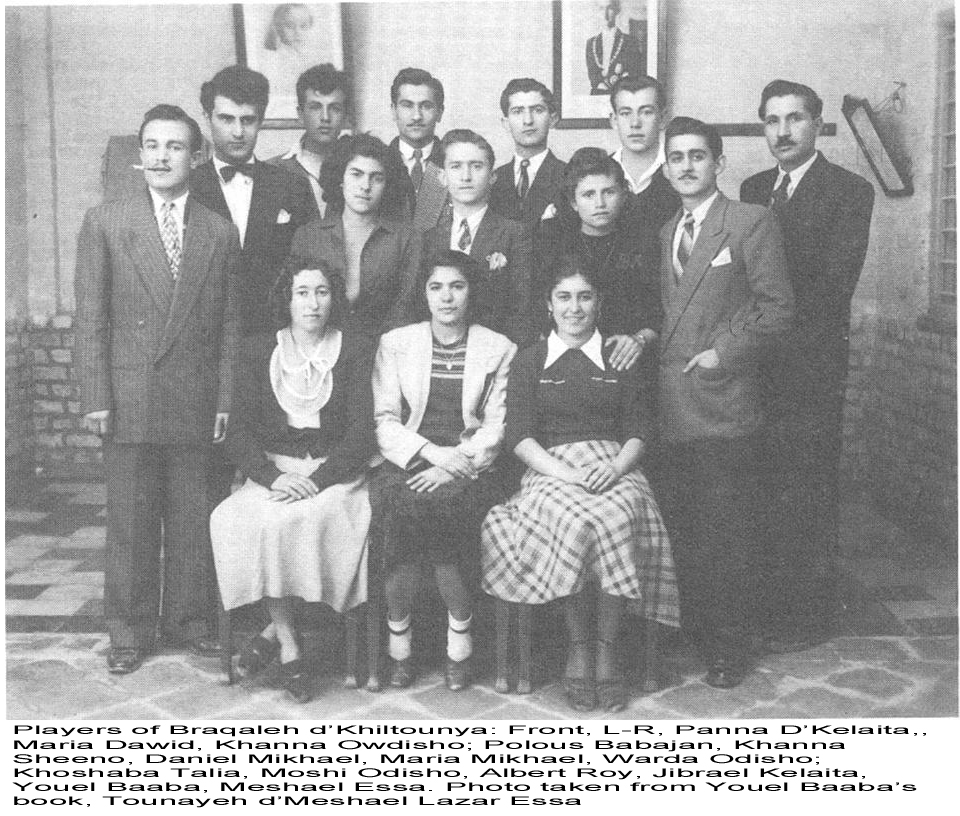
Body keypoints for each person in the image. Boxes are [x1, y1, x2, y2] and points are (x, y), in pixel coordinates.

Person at [75, 105, 240, 675]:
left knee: (194, 518)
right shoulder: (106, 222)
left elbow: (229, 324)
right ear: (140, 154)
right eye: (152, 145)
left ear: (196, 156)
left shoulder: (218, 231)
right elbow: (91, 318)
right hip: (131, 399)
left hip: (196, 397)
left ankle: (191, 621)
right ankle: (128, 630)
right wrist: (96, 396)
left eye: (174, 146)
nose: (162, 157)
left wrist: (225, 399)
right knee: (130, 522)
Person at [481, 261, 679, 713]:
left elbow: (639, 429)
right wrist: (564, 473)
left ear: (599, 304)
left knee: (616, 514)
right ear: (549, 305)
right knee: (573, 519)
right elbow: (519, 436)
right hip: (551, 469)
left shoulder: (618, 355)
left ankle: (606, 647)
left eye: (585, 297)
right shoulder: (530, 359)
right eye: (564, 297)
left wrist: (616, 468)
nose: (575, 308)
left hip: (615, 464)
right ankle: (578, 645)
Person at [657, 117, 794, 689]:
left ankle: (729, 647)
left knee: (727, 531)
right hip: (673, 405)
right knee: (687, 526)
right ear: (666, 168)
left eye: (697, 156)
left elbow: (777, 308)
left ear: (718, 163)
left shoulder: (748, 220)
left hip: (723, 400)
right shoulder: (667, 229)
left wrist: (722, 353)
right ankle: (698, 635)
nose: (687, 166)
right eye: (677, 157)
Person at [741, 80, 875, 652]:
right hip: (756, 368)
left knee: (807, 487)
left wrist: (767, 326)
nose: (783, 132)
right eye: (772, 121)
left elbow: (832, 287)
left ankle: (807, 617)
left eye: (795, 119)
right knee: (762, 487)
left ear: (817, 125)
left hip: (810, 366)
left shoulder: (849, 191)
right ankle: (763, 608)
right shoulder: (753, 189)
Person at [210, 260, 375, 704]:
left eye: (322, 292)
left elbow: (362, 433)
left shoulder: (355, 349)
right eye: (302, 292)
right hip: (276, 474)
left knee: (304, 522)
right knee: (241, 519)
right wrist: (274, 477)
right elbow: (238, 433)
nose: (312, 303)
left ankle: (275, 635)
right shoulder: (259, 350)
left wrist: (318, 480)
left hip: (335, 476)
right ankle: (288, 640)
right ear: (287, 299)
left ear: (333, 299)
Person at [370, 251, 516, 692]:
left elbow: (496, 426)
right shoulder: (396, 343)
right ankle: (401, 641)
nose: (446, 297)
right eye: (436, 287)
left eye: (457, 286)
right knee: (403, 509)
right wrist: (433, 456)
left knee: (447, 511)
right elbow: (384, 419)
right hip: (409, 460)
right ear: (424, 293)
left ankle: (458, 641)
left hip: (470, 465)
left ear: (471, 291)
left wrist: (456, 464)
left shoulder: (498, 347)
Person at [192, 65, 317, 337]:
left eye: (247, 120)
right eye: (226, 119)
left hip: (275, 336)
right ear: (207, 118)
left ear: (261, 120)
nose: (238, 132)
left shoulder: (292, 185)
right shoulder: (188, 188)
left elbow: (311, 266)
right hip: (205, 339)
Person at [534, 148, 660, 370]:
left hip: (626, 357)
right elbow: (539, 309)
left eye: (609, 192)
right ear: (573, 202)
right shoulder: (555, 243)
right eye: (588, 194)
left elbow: (658, 311)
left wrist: (639, 339)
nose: (600, 203)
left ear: (623, 195)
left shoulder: (644, 242)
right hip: (567, 356)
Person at [289, 133, 420, 343]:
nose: (365, 186)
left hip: (385, 348)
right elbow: (296, 303)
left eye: (377, 178)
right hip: (319, 347)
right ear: (340, 179)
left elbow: (405, 306)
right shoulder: (309, 236)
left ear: (387, 185)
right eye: (356, 174)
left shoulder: (406, 239)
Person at [420, 129, 533, 347]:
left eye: (476, 166)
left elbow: (522, 307)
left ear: (492, 176)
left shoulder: (515, 234)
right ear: (442, 177)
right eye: (456, 166)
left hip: (496, 347)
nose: (466, 176)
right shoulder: (428, 238)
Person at [608, 76, 680, 264]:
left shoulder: (682, 172)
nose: (635, 123)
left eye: (646, 112)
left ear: (663, 119)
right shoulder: (598, 173)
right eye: (625, 113)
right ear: (614, 120)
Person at [270, 64, 353, 216]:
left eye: (335, 108)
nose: (325, 117)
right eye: (315, 107)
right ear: (300, 114)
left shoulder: (360, 169)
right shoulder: (272, 170)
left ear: (346, 116)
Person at [489, 78, 567, 232]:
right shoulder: (493, 179)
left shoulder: (568, 175)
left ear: (552, 119)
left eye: (537, 110)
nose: (528, 121)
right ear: (506, 123)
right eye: (518, 111)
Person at [389, 67, 450, 231]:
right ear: (393, 111)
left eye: (426, 106)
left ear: (440, 112)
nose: (416, 116)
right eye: (407, 105)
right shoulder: (380, 162)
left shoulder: (454, 163)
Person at [585, 1, 644, 95]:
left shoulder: (630, 42)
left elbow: (635, 74)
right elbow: (593, 77)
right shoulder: (591, 43)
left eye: (609, 8)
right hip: (598, 95)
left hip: (622, 95)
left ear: (617, 10)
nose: (605, 14)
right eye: (601, 9)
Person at [260, 4, 317, 81]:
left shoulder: (310, 56)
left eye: (303, 26)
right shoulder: (274, 59)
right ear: (279, 27)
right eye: (290, 26)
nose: (297, 32)